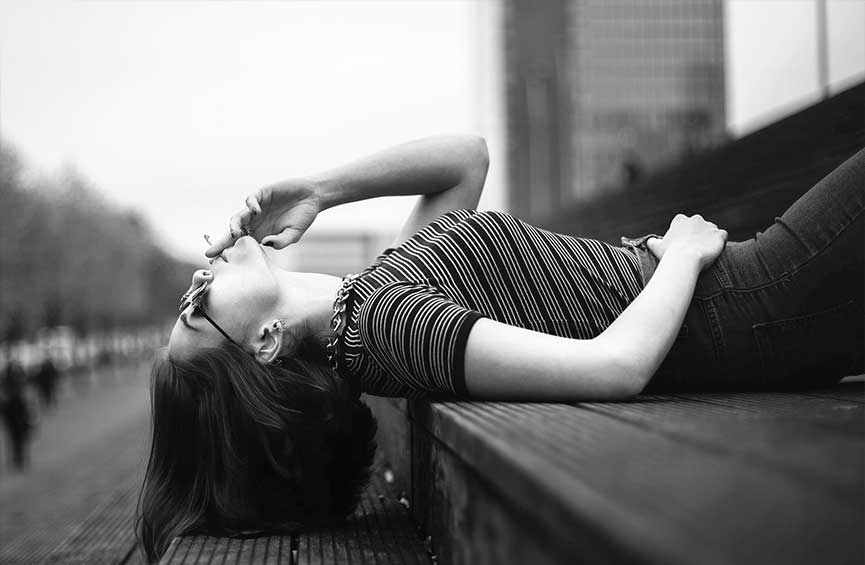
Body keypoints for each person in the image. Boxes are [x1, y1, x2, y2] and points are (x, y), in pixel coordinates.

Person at [137, 135, 864, 562]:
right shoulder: (388, 326)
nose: (197, 280)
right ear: (264, 343)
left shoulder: (372, 296)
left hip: (750, 296)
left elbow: (465, 159)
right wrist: (682, 256)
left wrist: (320, 191)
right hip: (754, 297)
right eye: (197, 311)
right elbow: (615, 369)